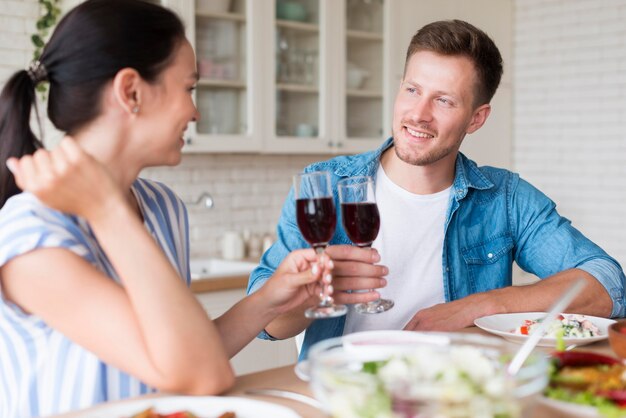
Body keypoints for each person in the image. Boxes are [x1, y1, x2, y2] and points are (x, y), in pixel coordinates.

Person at [0, 1, 331, 417]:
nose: (195, 112)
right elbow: (201, 375)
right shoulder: (31, 232)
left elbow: (180, 351)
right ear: (131, 92)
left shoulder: (162, 208)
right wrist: (106, 209)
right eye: (188, 88)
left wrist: (269, 299)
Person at [248, 19, 626, 360]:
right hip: (341, 393)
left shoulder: (504, 197)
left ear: (476, 118)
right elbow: (267, 324)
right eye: (413, 90)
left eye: (444, 100)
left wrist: (478, 307)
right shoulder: (326, 186)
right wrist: (313, 293)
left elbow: (608, 283)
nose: (418, 114)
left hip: (455, 394)